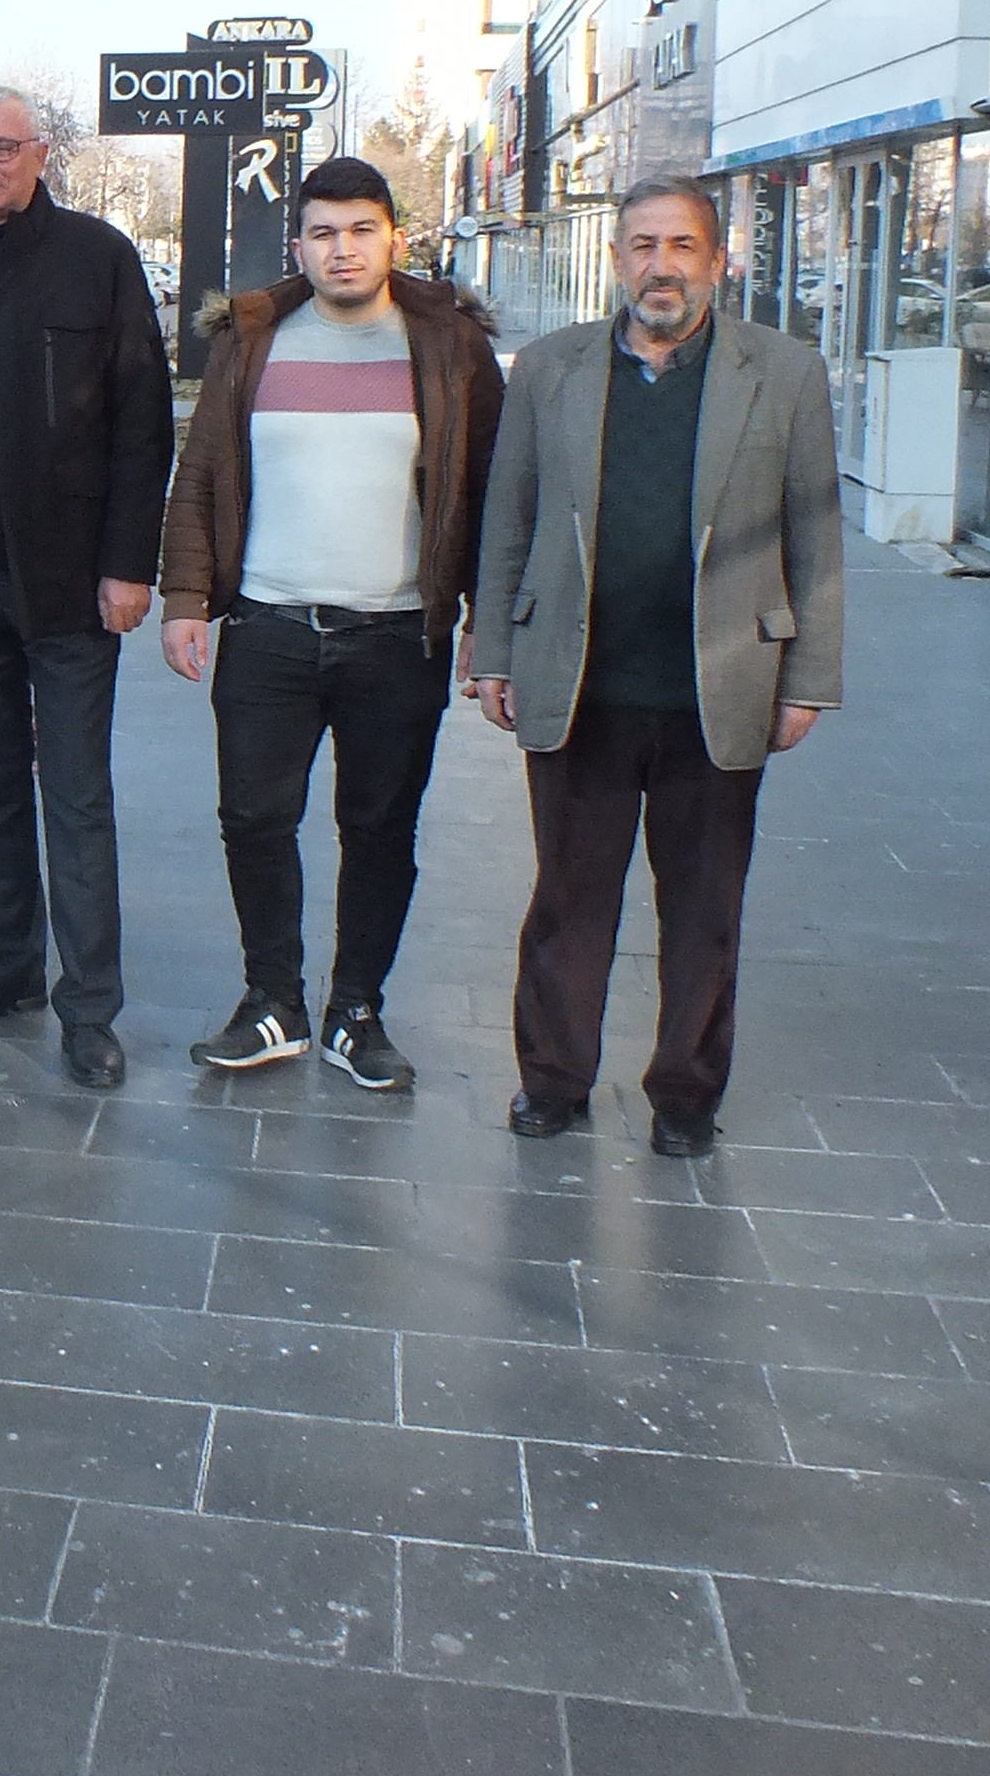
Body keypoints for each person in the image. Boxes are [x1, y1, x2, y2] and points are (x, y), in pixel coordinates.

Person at [469, 173, 844, 1156]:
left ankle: (685, 1095)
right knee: (568, 902)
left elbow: (816, 536)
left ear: (718, 261)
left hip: (717, 690)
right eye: (643, 245)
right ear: (616, 260)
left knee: (705, 911)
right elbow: (508, 518)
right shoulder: (549, 369)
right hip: (579, 686)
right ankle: (553, 1080)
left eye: (682, 246)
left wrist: (809, 676)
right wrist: (492, 650)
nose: (661, 266)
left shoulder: (785, 373)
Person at [160, 155, 504, 1094]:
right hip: (268, 627)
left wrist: (485, 618)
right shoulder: (253, 339)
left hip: (397, 635)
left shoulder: (449, 345)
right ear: (299, 244)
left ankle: (356, 1010)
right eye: (322, 233)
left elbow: (489, 489)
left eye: (360, 231)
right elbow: (202, 473)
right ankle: (272, 1000)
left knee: (380, 827)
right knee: (253, 818)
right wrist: (185, 599)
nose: (342, 250)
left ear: (394, 237)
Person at [0, 87, 175, 1091]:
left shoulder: (96, 259)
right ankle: (9, 965)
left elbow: (144, 421)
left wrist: (130, 564)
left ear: (39, 154)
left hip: (67, 584)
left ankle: (88, 1008)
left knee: (77, 798)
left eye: (2, 147)